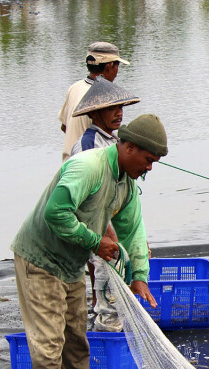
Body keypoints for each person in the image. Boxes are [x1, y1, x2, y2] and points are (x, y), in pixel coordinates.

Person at [11, 114, 168, 369]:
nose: (149, 168)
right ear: (127, 147)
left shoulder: (125, 183)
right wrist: (96, 242)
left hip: (70, 265)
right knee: (49, 342)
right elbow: (57, 213)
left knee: (76, 341)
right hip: (39, 259)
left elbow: (133, 231)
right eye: (148, 160)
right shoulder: (89, 167)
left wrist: (139, 275)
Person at [69, 77, 141, 331]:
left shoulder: (114, 141)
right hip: (95, 226)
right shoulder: (88, 145)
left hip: (112, 222)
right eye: (112, 109)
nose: (119, 113)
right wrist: (108, 234)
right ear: (96, 112)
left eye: (121, 108)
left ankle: (114, 322)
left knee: (120, 277)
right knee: (104, 277)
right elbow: (90, 200)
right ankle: (106, 327)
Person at [58, 42, 130, 163]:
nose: (117, 72)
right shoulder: (102, 96)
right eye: (117, 65)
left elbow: (65, 127)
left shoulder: (74, 88)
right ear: (110, 65)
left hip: (68, 164)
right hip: (89, 164)